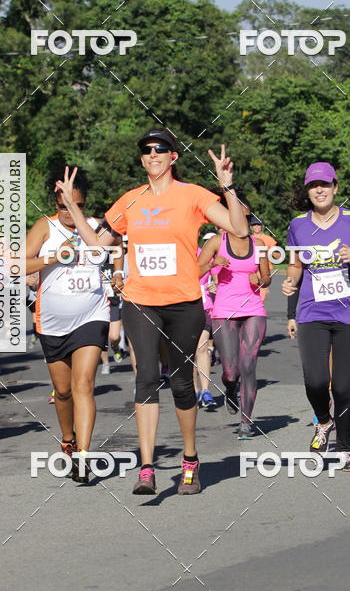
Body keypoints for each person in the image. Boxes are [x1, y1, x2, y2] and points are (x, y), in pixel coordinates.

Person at [56, 129, 249, 496]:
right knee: (145, 378)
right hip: (141, 302)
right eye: (146, 150)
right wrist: (73, 204)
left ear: (173, 157)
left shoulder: (192, 195)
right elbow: (98, 244)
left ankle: (190, 458)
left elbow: (239, 228)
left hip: (183, 304)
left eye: (160, 149)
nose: (153, 154)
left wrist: (227, 186)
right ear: (142, 159)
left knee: (179, 383)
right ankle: (146, 468)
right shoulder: (130, 200)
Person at [25, 166, 110, 483]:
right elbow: (18, 264)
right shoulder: (44, 227)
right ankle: (68, 438)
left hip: (92, 314)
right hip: (52, 322)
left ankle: (84, 458)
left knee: (83, 385)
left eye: (76, 206)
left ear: (84, 204)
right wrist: (51, 258)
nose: (69, 214)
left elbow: (106, 252)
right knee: (63, 392)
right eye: (63, 207)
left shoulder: (95, 227)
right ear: (55, 203)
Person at [282, 162, 350, 471]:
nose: (319, 189)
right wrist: (290, 280)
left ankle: (344, 449)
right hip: (311, 310)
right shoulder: (298, 224)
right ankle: (324, 420)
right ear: (307, 190)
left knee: (343, 386)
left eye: (325, 184)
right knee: (316, 380)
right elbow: (295, 264)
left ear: (335, 188)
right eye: (314, 185)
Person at [198, 192, 270, 438]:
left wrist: (259, 279)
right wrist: (211, 264)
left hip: (253, 309)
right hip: (224, 311)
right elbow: (195, 273)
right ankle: (230, 389)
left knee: (248, 364)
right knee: (231, 370)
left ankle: (246, 422)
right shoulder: (216, 242)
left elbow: (267, 276)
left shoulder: (258, 245)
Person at [194, 232, 217, 410]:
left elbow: (218, 274)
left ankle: (206, 390)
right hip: (181, 308)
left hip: (204, 306)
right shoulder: (177, 253)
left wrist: (217, 284)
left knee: (202, 348)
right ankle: (194, 391)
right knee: (188, 354)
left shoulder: (204, 252)